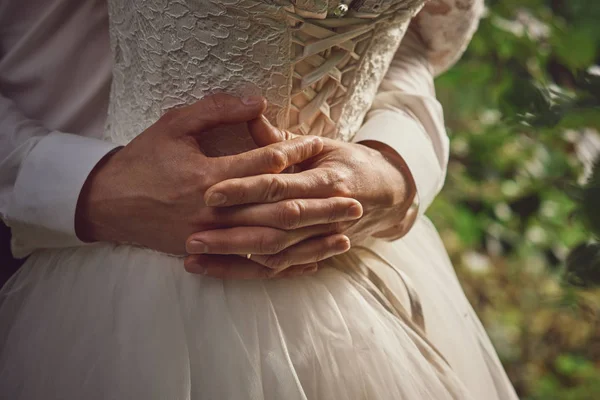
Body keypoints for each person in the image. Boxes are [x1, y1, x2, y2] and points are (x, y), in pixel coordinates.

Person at [0, 0, 519, 399]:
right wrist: (91, 188)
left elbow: (407, 38)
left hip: (345, 270)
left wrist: (397, 164)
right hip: (94, 286)